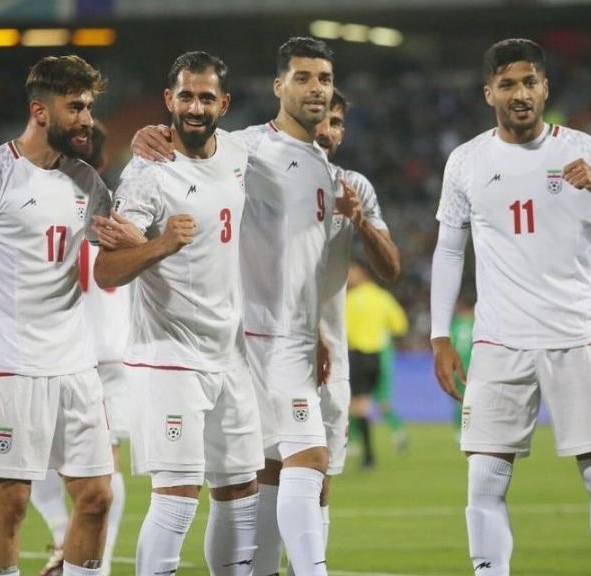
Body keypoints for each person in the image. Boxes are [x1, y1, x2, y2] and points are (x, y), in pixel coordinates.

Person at [430, 39, 591, 576]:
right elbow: (448, 249)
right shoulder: (466, 161)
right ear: (489, 93)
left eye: (530, 81)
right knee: (484, 480)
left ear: (545, 87)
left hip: (574, 335)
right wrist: (440, 336)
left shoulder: (585, 150)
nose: (520, 93)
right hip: (497, 341)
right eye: (507, 84)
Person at [132, 37, 339, 576]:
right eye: (302, 78)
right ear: (278, 87)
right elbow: (189, 140)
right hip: (224, 343)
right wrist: (149, 134)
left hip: (259, 346)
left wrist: (312, 327)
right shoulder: (250, 144)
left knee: (248, 486)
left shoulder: (306, 164)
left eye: (324, 79)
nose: (315, 89)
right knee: (302, 462)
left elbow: (297, 260)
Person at [93, 51, 264, 576]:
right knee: (177, 498)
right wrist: (162, 245)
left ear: (224, 103)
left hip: (230, 356)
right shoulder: (148, 172)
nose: (195, 107)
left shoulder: (241, 152)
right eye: (185, 96)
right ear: (168, 100)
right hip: (168, 357)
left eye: (206, 97)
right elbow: (107, 270)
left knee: (240, 493)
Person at [0, 55, 114, 576]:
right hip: (11, 368)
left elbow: (111, 267)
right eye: (75, 107)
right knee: (11, 505)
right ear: (40, 111)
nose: (87, 118)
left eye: (89, 106)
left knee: (97, 497)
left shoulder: (89, 183)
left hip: (76, 367)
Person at [31, 122, 132, 576]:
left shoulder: (41, 205)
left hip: (65, 351)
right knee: (99, 467)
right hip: (111, 350)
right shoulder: (124, 208)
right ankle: (84, 555)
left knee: (35, 459)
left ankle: (68, 543)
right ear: (106, 162)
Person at [314, 86, 400, 549]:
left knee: (320, 483)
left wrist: (361, 221)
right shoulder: (258, 170)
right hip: (264, 350)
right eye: (322, 118)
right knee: (258, 483)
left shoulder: (355, 187)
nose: (328, 130)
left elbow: (391, 268)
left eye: (338, 122)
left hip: (332, 357)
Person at [344, 260, 407, 469]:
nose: (349, 277)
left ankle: (367, 454)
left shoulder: (349, 299)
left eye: (352, 272)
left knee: (357, 405)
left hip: (358, 354)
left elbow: (342, 330)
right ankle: (397, 434)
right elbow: (400, 326)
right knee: (380, 401)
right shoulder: (383, 297)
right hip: (378, 356)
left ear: (363, 273)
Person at [449, 297, 474, 444]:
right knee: (471, 403)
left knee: (459, 402)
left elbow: (449, 347)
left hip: (456, 369)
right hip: (472, 369)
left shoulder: (454, 325)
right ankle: (468, 430)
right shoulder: (475, 324)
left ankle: (460, 431)